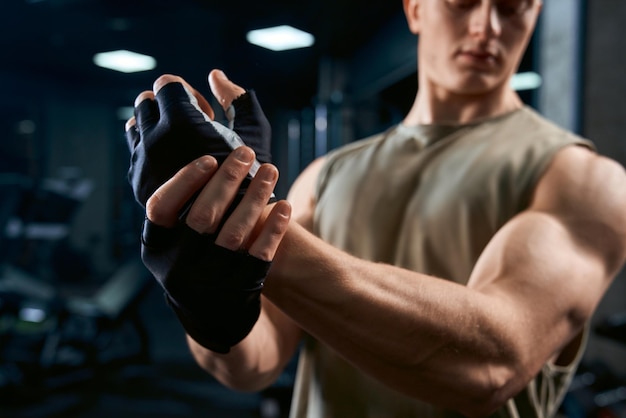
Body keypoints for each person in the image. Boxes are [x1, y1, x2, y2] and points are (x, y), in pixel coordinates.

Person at [124, 0, 626, 417]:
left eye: (513, 7)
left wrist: (248, 222)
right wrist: (203, 294)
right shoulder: (326, 175)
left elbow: (491, 366)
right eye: (463, 1)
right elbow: (252, 366)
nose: (485, 26)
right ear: (414, 9)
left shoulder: (583, 178)